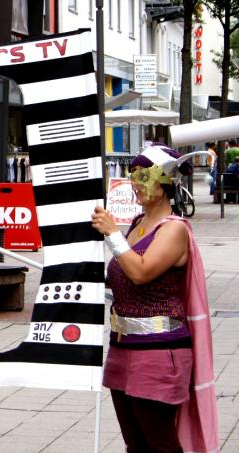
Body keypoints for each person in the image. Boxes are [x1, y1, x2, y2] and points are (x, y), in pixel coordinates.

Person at [91, 144, 217, 453]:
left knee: (160, 445)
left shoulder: (174, 230)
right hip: (122, 348)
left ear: (163, 183)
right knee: (136, 444)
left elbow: (141, 272)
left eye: (143, 176)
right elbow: (122, 276)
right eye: (132, 175)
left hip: (159, 353)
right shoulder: (137, 225)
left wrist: (112, 235)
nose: (134, 183)